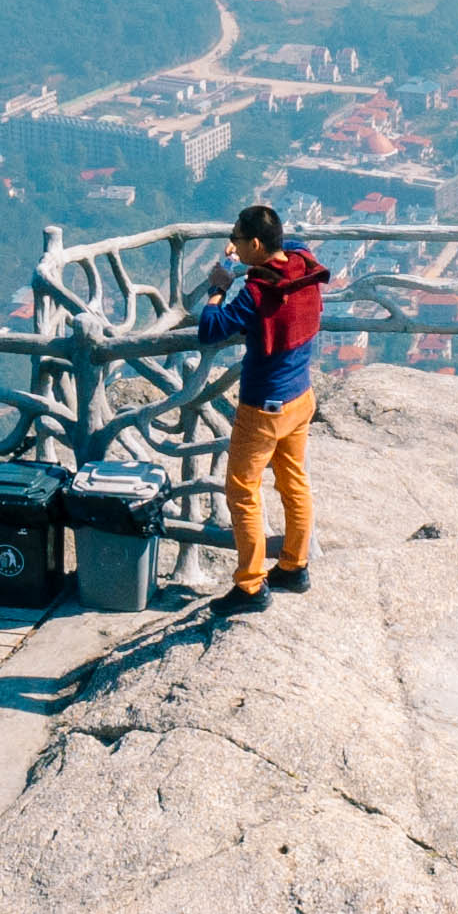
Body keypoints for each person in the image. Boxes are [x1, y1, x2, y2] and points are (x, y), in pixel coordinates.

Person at [189, 200, 328, 618]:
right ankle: (294, 566)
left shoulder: (255, 293)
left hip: (264, 407)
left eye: (235, 238)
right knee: (293, 481)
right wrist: (239, 256)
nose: (231, 242)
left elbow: (209, 330)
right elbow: (292, 242)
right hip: (301, 398)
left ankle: (250, 585)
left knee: (243, 491)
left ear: (253, 243)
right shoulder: (303, 264)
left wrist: (219, 283)